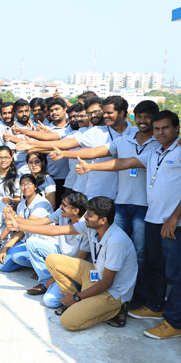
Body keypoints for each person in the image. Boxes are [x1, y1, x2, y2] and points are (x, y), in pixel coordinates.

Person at [75, 110, 181, 339]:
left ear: (177, 129)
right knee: (154, 266)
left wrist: (174, 218)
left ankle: (173, 323)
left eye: (165, 128)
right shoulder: (155, 152)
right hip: (153, 219)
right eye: (157, 128)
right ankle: (155, 306)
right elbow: (123, 162)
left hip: (175, 223)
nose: (160, 133)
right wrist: (91, 167)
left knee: (176, 273)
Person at [50, 100, 161, 308]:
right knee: (107, 248)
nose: (143, 121)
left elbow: (124, 163)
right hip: (121, 204)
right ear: (133, 116)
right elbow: (95, 152)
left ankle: (135, 298)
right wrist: (65, 154)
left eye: (148, 117)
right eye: (140, 116)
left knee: (140, 253)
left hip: (145, 207)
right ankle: (105, 293)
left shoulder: (160, 142)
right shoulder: (126, 140)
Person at [12, 196, 137, 332]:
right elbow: (55, 230)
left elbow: (107, 282)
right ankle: (75, 299)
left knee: (68, 321)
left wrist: (77, 297)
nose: (85, 216)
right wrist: (19, 226)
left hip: (112, 292)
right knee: (52, 260)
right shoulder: (91, 226)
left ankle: (118, 308)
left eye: (89, 215)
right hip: (95, 275)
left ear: (103, 220)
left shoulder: (116, 242)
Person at [17, 95, 137, 200]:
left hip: (129, 195)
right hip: (97, 192)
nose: (95, 116)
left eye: (98, 112)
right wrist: (34, 144)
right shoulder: (94, 132)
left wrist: (35, 146)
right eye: (89, 113)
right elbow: (66, 144)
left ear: (121, 113)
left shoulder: (136, 134)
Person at [6, 193, 89, 307]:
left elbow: (79, 261)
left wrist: (55, 277)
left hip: (73, 266)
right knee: (32, 242)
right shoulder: (62, 212)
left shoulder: (85, 225)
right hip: (60, 253)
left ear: (76, 211)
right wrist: (16, 221)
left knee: (50, 301)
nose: (60, 206)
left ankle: (67, 289)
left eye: (64, 205)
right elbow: (40, 222)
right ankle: (45, 282)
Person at [0, 174, 54, 272]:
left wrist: (14, 216)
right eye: (22, 184)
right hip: (26, 241)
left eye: (29, 184)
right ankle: (31, 262)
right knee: (2, 265)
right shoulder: (21, 204)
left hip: (41, 243)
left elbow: (30, 223)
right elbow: (20, 231)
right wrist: (5, 249)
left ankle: (43, 266)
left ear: (35, 186)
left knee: (16, 256)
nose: (25, 187)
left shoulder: (42, 203)